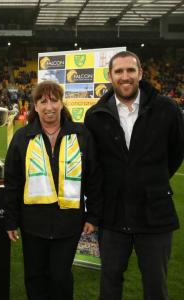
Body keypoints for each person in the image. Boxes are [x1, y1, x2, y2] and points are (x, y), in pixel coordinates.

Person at [84, 51, 184, 300]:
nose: (125, 76)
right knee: (110, 284)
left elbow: (176, 153)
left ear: (140, 73)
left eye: (130, 70)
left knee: (155, 286)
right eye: (119, 71)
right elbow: (93, 167)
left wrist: (151, 182)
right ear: (110, 76)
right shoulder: (95, 115)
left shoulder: (167, 109)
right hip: (113, 216)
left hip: (155, 215)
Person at [4, 80, 102, 300]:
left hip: (69, 223)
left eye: (54, 100)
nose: (49, 106)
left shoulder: (81, 135)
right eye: (43, 101)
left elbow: (94, 178)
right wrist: (11, 220)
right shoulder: (23, 137)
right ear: (35, 106)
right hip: (32, 224)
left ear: (61, 103)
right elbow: (13, 181)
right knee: (35, 277)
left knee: (60, 277)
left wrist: (93, 216)